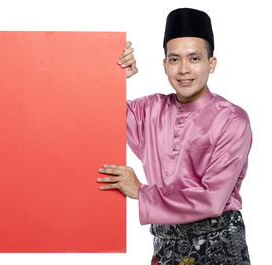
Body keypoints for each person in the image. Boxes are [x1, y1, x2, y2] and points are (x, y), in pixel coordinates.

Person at [96, 7, 252, 265]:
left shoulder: (232, 120)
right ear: (165, 64)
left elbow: (213, 200)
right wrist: (111, 76)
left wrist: (141, 192)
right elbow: (94, 114)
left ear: (211, 64)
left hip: (218, 248)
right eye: (174, 59)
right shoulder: (148, 110)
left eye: (194, 59)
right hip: (165, 246)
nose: (183, 70)